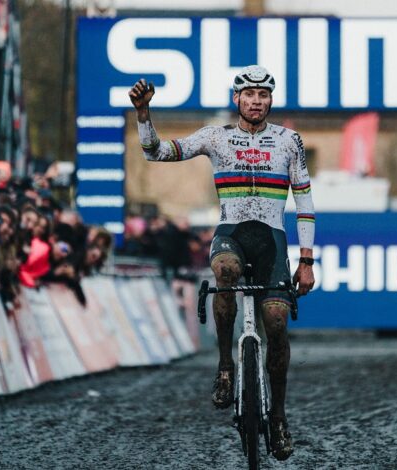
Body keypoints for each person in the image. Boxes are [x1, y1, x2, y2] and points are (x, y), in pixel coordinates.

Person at [128, 65, 316, 461]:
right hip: (231, 234)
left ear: (270, 100)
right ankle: (226, 367)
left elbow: (304, 202)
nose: (256, 102)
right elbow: (156, 152)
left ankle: (279, 417)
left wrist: (306, 260)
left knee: (277, 324)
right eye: (249, 95)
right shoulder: (216, 136)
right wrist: (144, 115)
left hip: (271, 241)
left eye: (263, 95)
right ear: (237, 99)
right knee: (225, 271)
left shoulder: (290, 141)